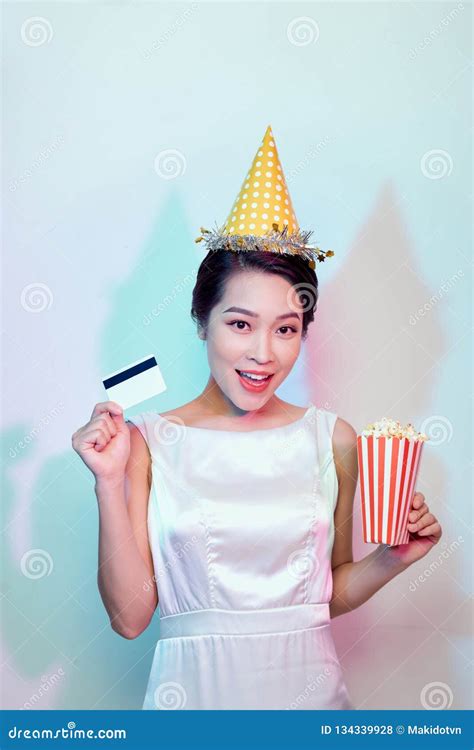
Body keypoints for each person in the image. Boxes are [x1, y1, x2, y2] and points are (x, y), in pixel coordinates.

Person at [72, 126, 442, 710]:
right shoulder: (146, 443)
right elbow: (129, 619)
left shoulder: (333, 439)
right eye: (240, 324)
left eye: (286, 329)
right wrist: (108, 481)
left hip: (313, 709)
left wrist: (391, 559)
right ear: (202, 321)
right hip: (191, 707)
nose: (264, 354)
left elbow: (327, 593)